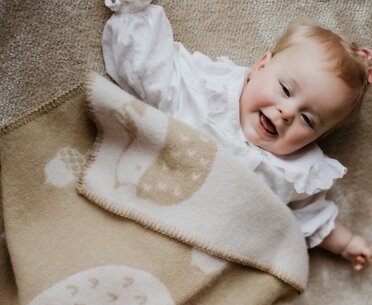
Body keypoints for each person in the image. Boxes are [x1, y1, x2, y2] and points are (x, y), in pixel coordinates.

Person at [102, 0, 372, 271]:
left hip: (198, 255)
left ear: (318, 137)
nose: (287, 112)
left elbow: (311, 218)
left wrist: (347, 243)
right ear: (260, 67)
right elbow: (150, 71)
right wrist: (134, 10)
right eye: (286, 90)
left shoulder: (294, 174)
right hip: (139, 206)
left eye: (307, 119)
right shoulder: (206, 96)